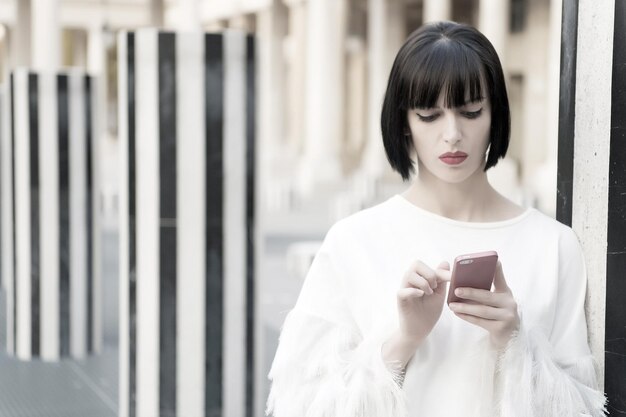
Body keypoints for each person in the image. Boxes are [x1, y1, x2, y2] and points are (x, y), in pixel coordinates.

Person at [266, 21, 607, 417]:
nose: (452, 134)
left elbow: (582, 407)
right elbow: (303, 405)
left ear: (496, 113)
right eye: (429, 115)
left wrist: (514, 344)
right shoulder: (353, 241)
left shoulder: (554, 246)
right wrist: (404, 339)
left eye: (471, 111)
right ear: (404, 123)